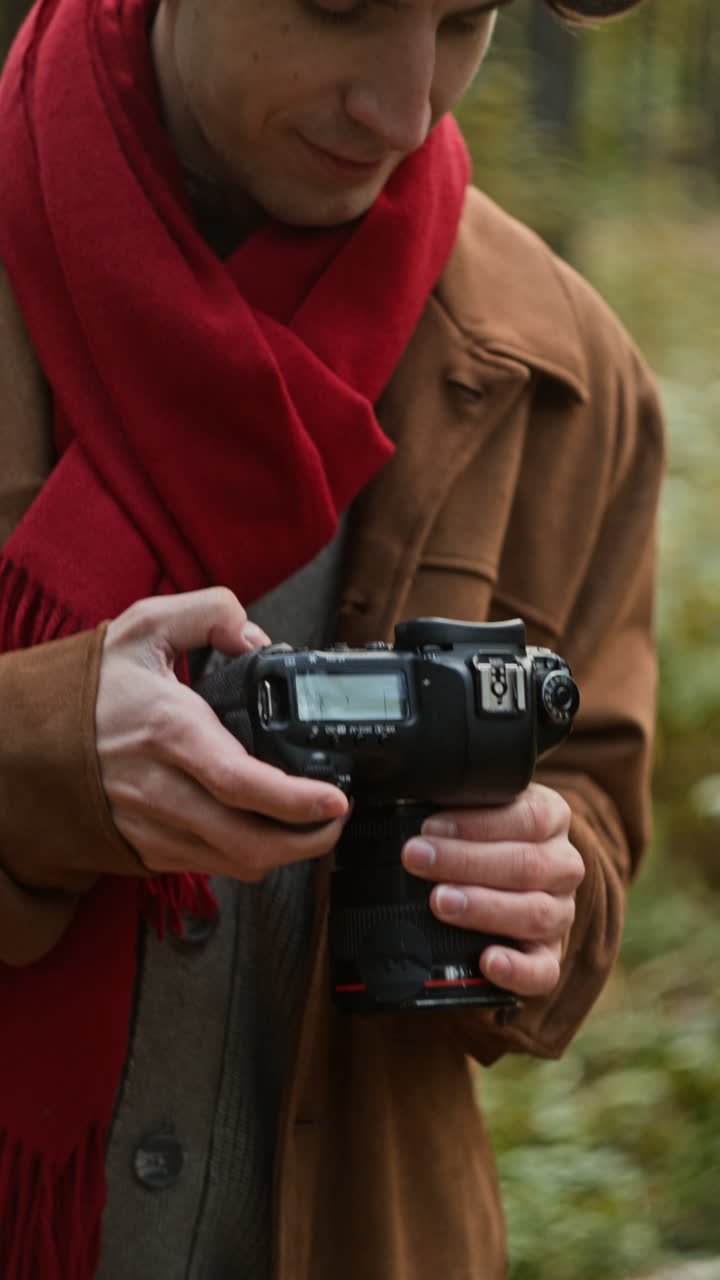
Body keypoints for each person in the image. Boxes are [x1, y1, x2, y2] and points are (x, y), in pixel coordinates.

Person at [0, 0, 662, 1276]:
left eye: (465, 19)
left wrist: (545, 883)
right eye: (340, 10)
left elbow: (593, 812)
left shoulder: (569, 370)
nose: (405, 108)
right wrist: (41, 751)